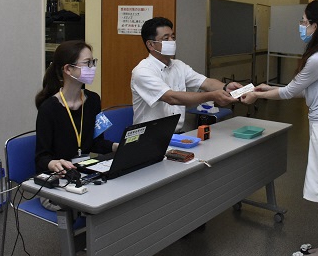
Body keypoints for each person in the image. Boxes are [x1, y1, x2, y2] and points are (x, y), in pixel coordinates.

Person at [242, 0, 318, 256]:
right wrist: (269, 89)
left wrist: (258, 95)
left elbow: (291, 91)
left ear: (316, 25)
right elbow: (308, 89)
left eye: (304, 21)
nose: (301, 26)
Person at [35, 41, 118, 209]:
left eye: (93, 62)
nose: (92, 68)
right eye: (87, 63)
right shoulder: (48, 108)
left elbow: (96, 142)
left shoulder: (93, 100)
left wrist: (117, 146)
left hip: (85, 172)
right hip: (58, 180)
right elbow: (42, 157)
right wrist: (53, 163)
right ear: (68, 69)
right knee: (97, 204)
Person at [131, 17, 240, 132]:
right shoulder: (142, 71)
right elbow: (171, 98)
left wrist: (225, 87)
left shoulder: (178, 65)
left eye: (173, 37)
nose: (172, 41)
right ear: (150, 45)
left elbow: (205, 82)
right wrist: (212, 96)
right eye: (166, 38)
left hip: (176, 134)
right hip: (148, 136)